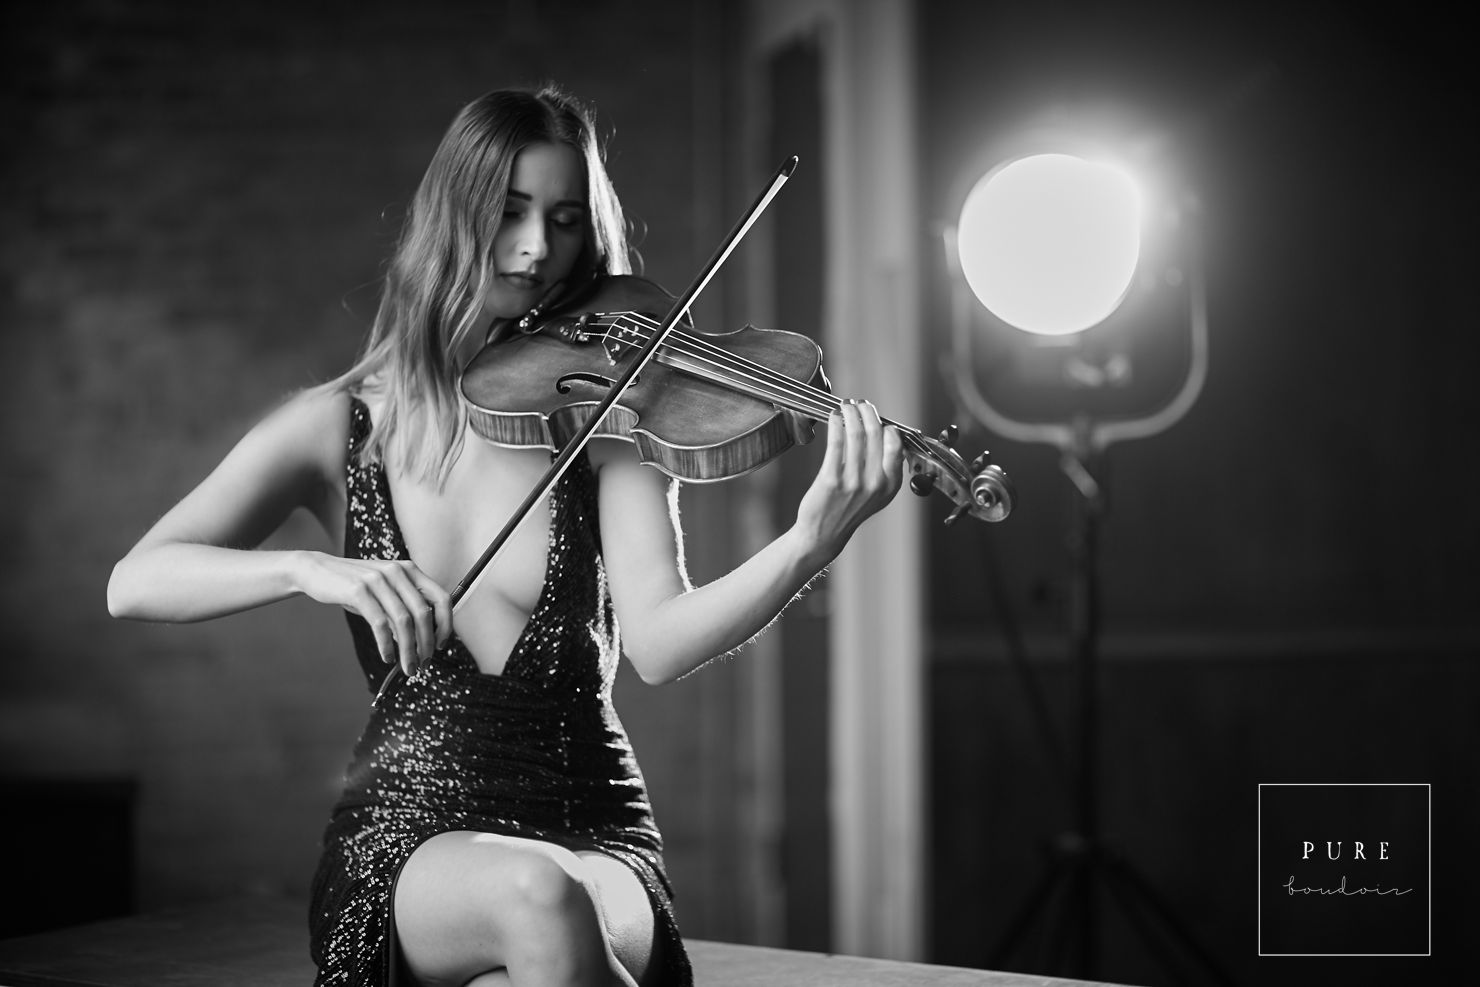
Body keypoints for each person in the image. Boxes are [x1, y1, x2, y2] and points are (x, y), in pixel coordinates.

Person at [108, 84, 903, 987]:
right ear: (455, 215)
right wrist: (309, 568)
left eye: (565, 219)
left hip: (596, 826)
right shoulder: (336, 427)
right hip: (411, 833)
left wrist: (809, 543)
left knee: (542, 917)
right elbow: (134, 581)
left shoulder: (607, 411)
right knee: (537, 896)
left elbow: (658, 642)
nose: (536, 249)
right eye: (510, 212)